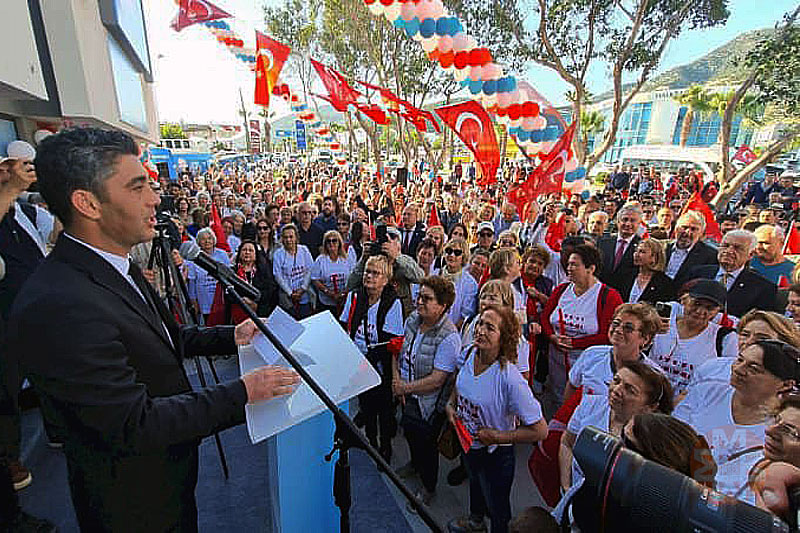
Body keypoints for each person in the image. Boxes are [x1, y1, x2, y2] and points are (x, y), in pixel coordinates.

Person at [5, 127, 300, 531]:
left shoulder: (114, 262)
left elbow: (161, 337)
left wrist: (230, 334)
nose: (155, 198)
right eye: (137, 186)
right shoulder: (60, 303)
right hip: (133, 503)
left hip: (167, 478)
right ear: (87, 202)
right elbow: (133, 423)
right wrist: (245, 391)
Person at [446, 306, 547, 533]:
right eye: (480, 323)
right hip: (469, 443)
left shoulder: (510, 379)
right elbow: (461, 382)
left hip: (496, 455)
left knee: (497, 505)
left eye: (489, 327)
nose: (480, 330)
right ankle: (475, 521)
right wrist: (451, 405)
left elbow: (541, 431)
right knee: (475, 483)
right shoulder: (470, 353)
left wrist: (498, 436)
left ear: (505, 337)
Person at [675, 340, 800, 503]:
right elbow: (672, 435)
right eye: (740, 360)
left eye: (753, 369)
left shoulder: (779, 431)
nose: (739, 369)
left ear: (786, 384)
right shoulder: (706, 391)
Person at [558, 361, 673, 506]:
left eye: (630, 390)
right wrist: (566, 487)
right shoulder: (589, 404)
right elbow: (567, 443)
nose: (616, 390)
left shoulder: (653, 441)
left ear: (650, 407)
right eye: (616, 381)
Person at [393, 276, 461, 507]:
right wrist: (397, 380)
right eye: (419, 296)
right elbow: (399, 351)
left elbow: (437, 380)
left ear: (443, 306)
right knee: (411, 433)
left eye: (427, 299)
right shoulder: (413, 319)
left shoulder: (450, 337)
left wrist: (405, 387)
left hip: (429, 403)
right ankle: (414, 464)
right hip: (407, 392)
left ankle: (428, 486)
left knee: (427, 445)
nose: (419, 302)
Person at [340, 255, 404, 461]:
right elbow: (345, 326)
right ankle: (370, 441)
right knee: (366, 406)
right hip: (356, 361)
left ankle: (385, 446)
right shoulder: (355, 297)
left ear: (385, 279)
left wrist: (366, 362)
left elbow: (391, 342)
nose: (369, 276)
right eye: (367, 271)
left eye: (375, 273)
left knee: (384, 409)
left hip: (380, 363)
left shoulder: (392, 302)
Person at [541, 244, 623, 401]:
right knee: (558, 402)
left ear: (590, 269)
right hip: (557, 363)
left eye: (574, 264)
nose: (569, 268)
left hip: (588, 364)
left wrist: (575, 343)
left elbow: (609, 335)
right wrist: (552, 337)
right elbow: (545, 318)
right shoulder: (561, 290)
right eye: (568, 264)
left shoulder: (608, 296)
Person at [649, 279, 737, 398]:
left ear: (717, 312)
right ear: (684, 300)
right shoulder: (662, 324)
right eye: (696, 304)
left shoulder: (725, 338)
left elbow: (726, 380)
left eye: (709, 308)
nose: (700, 311)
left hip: (686, 408)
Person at [565, 302, 663, 399]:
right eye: (616, 323)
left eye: (628, 328)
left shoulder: (654, 376)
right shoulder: (591, 354)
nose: (618, 330)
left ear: (645, 338)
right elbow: (572, 386)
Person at [689, 229, 777, 317]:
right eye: (725, 245)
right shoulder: (698, 273)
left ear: (751, 255)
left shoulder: (763, 288)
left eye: (737, 248)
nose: (729, 251)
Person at [598, 202, 643, 295]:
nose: (628, 224)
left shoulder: (642, 246)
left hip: (624, 296)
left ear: (639, 224)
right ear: (618, 222)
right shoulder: (603, 242)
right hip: (600, 292)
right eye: (625, 219)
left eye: (632, 220)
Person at [664, 210, 718, 287]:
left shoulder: (710, 255)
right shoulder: (662, 247)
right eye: (684, 227)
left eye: (693, 229)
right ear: (676, 229)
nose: (687, 232)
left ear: (701, 233)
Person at [187, 227, 231, 320]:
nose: (207, 241)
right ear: (199, 242)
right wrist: (193, 301)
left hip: (221, 299)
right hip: (204, 300)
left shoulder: (222, 254)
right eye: (203, 239)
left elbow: (229, 275)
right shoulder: (194, 258)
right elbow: (192, 283)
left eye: (209, 238)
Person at [273, 223, 314, 319]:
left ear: (296, 237)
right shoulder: (278, 254)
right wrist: (290, 293)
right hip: (287, 297)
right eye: (285, 237)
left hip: (304, 294)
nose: (288, 240)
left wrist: (303, 288)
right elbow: (277, 275)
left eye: (291, 237)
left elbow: (310, 269)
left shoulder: (304, 250)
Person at [618, 238, 676, 304]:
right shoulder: (626, 275)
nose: (636, 254)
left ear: (654, 257)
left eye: (642, 252)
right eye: (636, 251)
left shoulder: (664, 283)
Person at [311, 229, 354, 315]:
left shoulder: (347, 259)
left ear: (339, 243)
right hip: (326, 302)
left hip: (344, 301)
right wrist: (328, 292)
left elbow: (352, 277)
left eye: (334, 241)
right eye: (328, 241)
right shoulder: (320, 260)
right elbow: (315, 279)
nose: (331, 243)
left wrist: (343, 294)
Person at [441, 237, 478, 329]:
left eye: (457, 253)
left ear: (463, 256)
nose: (452, 255)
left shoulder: (470, 283)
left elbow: (465, 315)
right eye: (449, 251)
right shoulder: (435, 274)